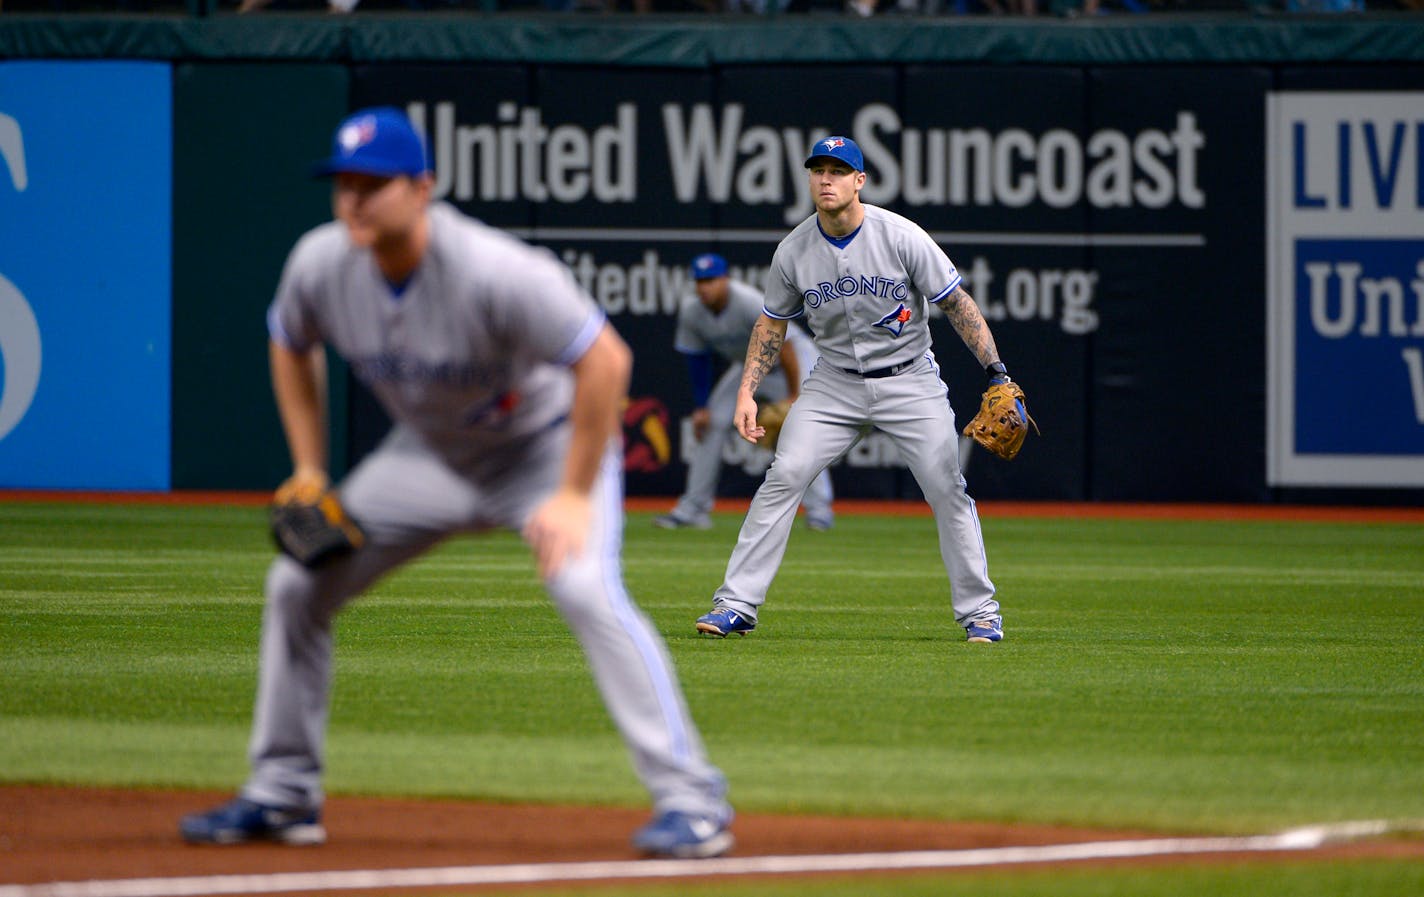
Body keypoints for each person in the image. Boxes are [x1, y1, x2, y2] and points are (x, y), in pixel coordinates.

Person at [179, 107, 734, 858]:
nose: (355, 199)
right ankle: (282, 793)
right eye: (344, 183)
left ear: (423, 188)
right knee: (296, 582)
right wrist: (309, 468)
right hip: (428, 457)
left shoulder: (494, 270)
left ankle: (694, 802)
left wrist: (573, 496)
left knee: (583, 588)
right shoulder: (320, 263)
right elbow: (289, 341)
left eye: (374, 184)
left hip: (542, 452)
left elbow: (605, 361)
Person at [694, 136, 1011, 644]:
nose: (826, 179)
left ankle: (980, 612)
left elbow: (956, 304)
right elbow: (772, 324)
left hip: (910, 379)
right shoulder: (794, 250)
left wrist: (996, 371)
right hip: (834, 383)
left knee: (946, 486)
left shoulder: (901, 236)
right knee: (784, 476)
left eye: (838, 171)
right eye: (818, 169)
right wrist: (746, 391)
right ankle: (735, 604)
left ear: (859, 181)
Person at [655, 253, 835, 532]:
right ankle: (692, 509)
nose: (705, 287)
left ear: (725, 279)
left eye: (711, 280)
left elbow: (784, 346)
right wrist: (701, 405)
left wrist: (793, 396)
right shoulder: (693, 312)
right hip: (750, 367)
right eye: (700, 281)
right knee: (710, 422)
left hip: (792, 360)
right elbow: (697, 358)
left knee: (801, 431)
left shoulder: (748, 301)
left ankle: (819, 511)